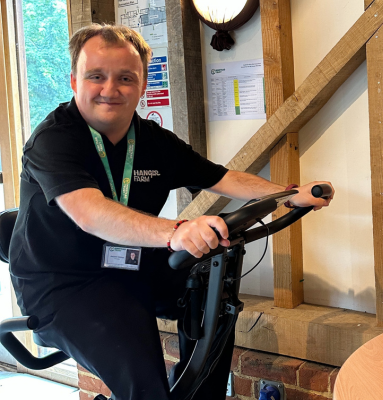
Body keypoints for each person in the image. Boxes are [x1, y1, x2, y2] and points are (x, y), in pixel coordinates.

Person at [9, 24, 333, 400]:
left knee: (215, 294)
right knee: (144, 382)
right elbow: (90, 213)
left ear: (142, 85)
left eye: (125, 78)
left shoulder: (153, 141)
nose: (110, 90)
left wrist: (289, 194)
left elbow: (222, 177)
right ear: (73, 80)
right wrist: (176, 230)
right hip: (63, 283)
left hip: (131, 265)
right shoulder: (54, 138)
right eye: (96, 76)